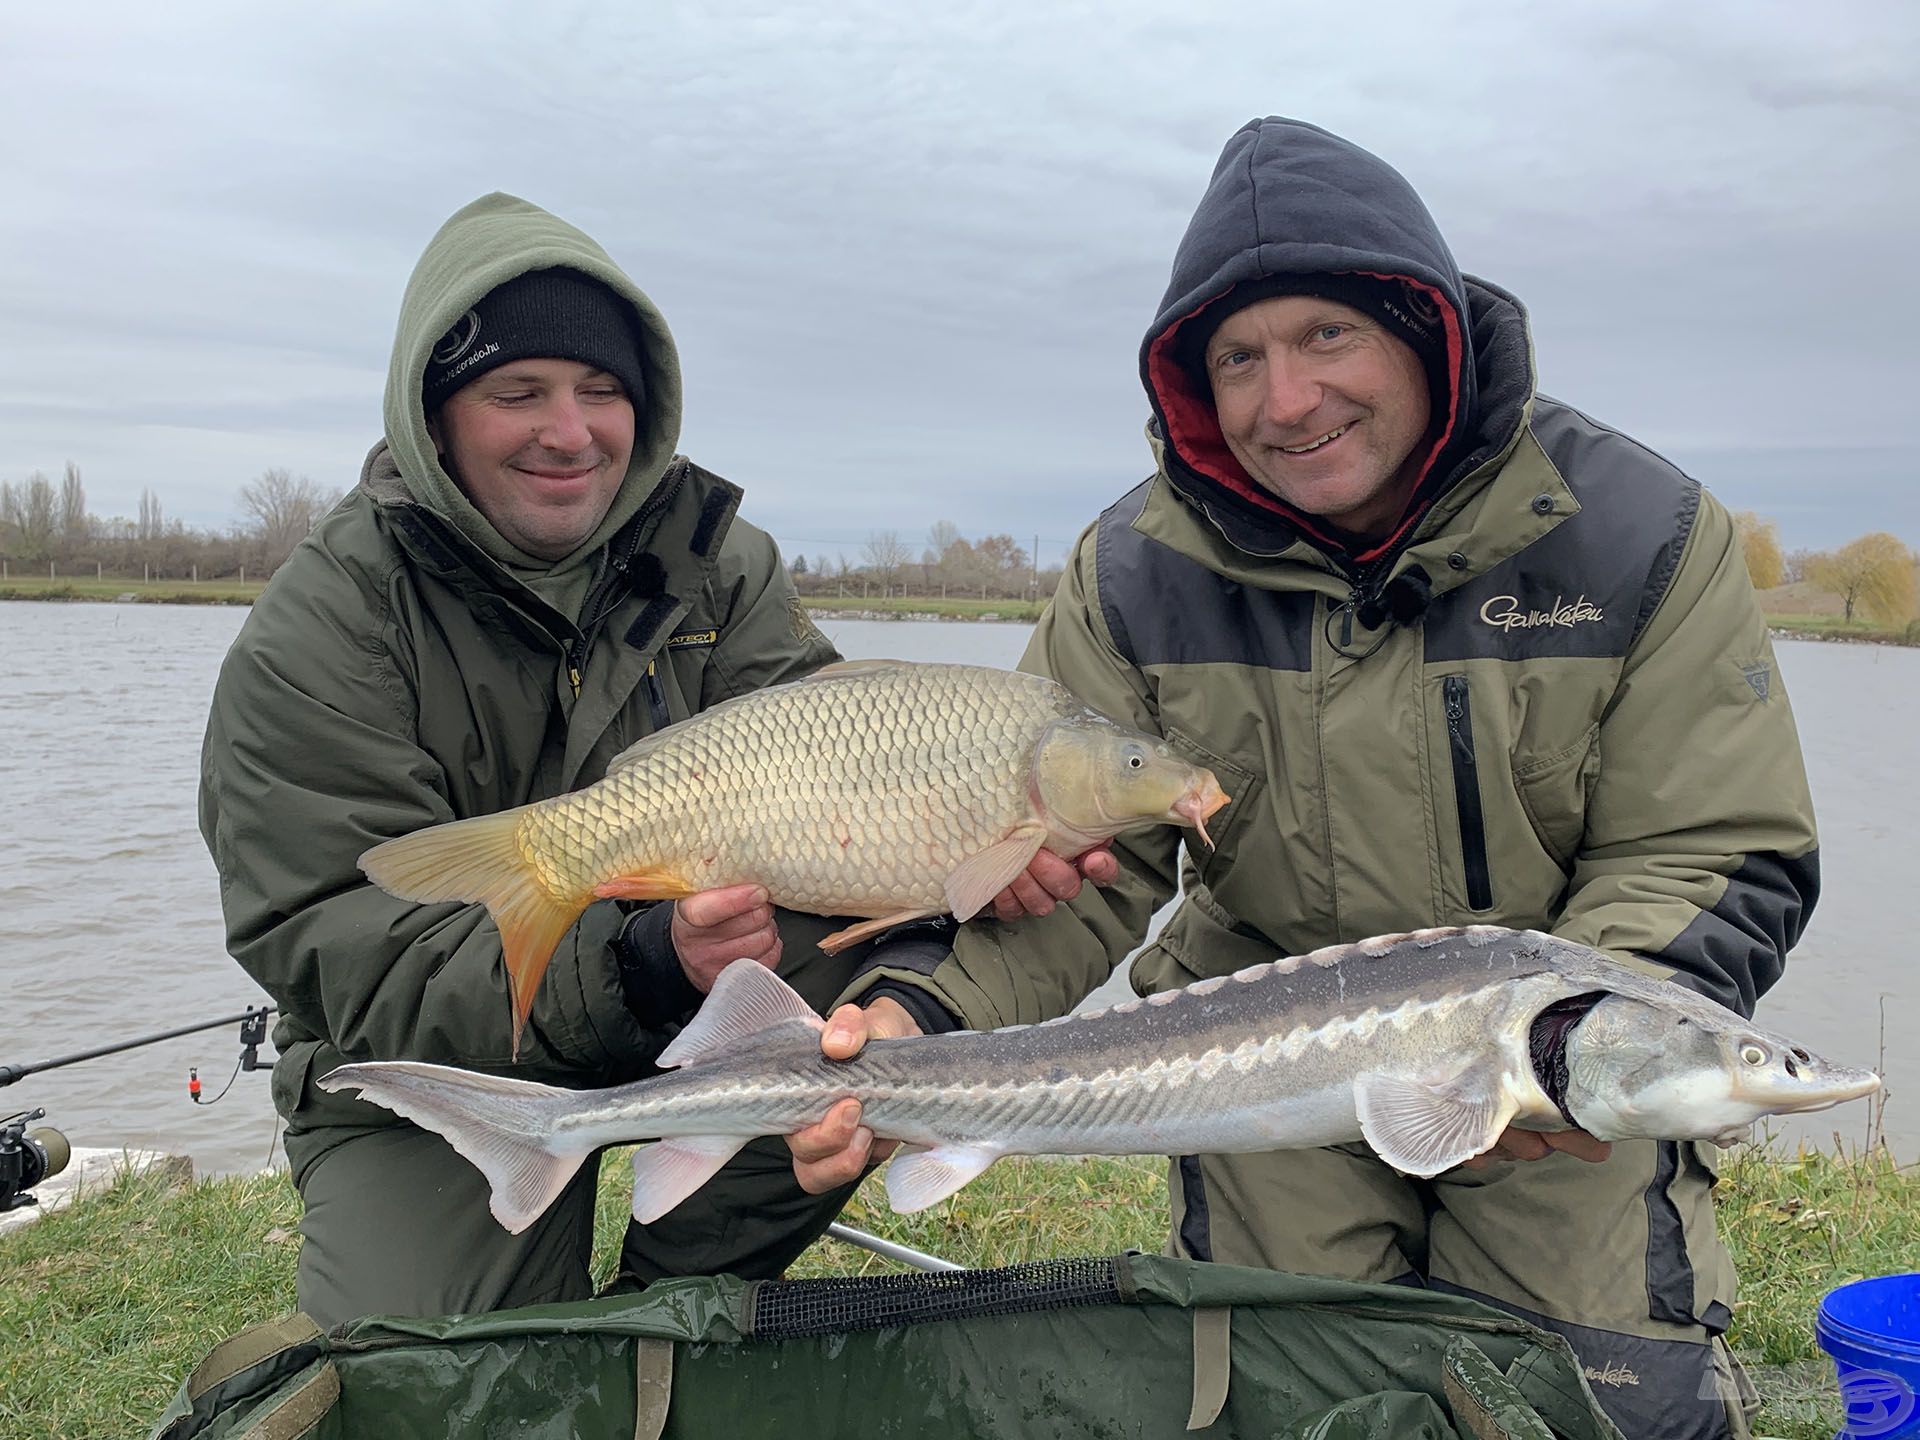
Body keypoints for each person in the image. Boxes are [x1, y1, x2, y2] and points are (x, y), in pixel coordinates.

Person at [790, 118, 1818, 1440]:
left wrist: (1553, 1054)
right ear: (1191, 386)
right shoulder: (1134, 574)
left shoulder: (1640, 536)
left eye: (1327, 337)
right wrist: (924, 1016)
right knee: (1287, 1399)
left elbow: (1712, 847)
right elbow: (1070, 868)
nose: (1287, 403)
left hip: (1546, 1056)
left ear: (1424, 332)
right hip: (1256, 1069)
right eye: (1239, 360)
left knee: (1594, 1405)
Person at [199, 192, 1069, 1327]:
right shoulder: (323, 629)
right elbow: (349, 950)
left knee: (878, 1013)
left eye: (603, 391)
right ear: (436, 413)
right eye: (520, 392)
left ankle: (672, 1310)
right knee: (442, 1363)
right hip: (438, 1054)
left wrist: (978, 873)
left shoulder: (716, 565)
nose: (572, 431)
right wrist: (641, 963)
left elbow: (863, 801)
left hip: (711, 1012)